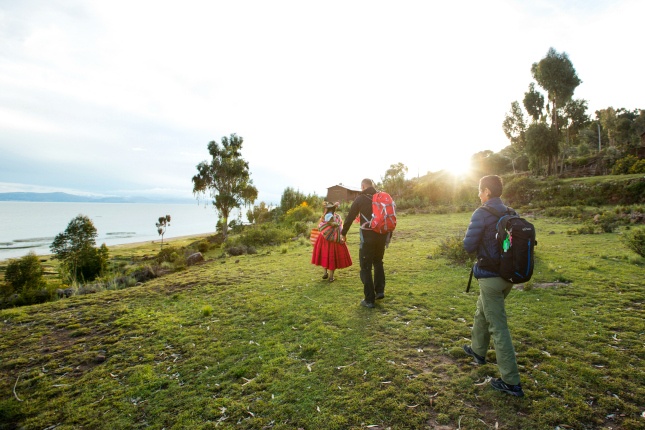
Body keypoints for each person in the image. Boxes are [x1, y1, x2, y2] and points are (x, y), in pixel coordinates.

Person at [462, 175, 524, 397]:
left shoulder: (482, 213)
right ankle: (477, 351)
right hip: (509, 277)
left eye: (480, 191)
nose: (478, 195)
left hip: (490, 277)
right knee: (482, 311)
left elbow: (468, 245)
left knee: (498, 326)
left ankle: (511, 381)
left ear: (487, 191)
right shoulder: (511, 213)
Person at [341, 178, 389, 308]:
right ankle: (379, 291)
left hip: (367, 237)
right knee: (378, 261)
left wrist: (343, 233)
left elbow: (350, 217)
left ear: (363, 186)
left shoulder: (360, 199)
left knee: (365, 266)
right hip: (381, 235)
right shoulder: (381, 197)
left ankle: (369, 300)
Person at [311, 201, 352, 282]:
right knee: (332, 257)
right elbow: (340, 227)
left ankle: (325, 273)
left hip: (323, 239)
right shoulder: (337, 216)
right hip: (334, 239)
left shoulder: (323, 217)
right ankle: (331, 277)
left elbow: (320, 226)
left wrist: (328, 227)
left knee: (324, 255)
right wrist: (341, 237)